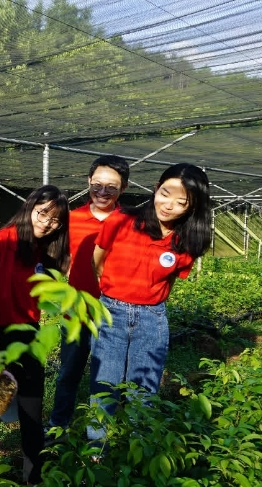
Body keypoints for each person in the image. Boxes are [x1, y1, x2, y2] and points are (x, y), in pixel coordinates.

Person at [86, 163, 212, 445]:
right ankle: (96, 453)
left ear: (192, 208)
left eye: (182, 202)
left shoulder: (185, 241)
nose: (169, 206)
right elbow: (97, 260)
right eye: (165, 194)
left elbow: (168, 282)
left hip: (152, 319)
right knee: (104, 386)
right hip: (111, 312)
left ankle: (137, 450)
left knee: (143, 390)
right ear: (155, 189)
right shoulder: (120, 221)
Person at [0, 185, 70, 484]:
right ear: (29, 208)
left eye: (55, 220)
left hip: (28, 336)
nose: (46, 223)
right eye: (43, 213)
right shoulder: (0, 241)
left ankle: (33, 479)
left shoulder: (40, 250)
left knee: (31, 406)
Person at [47, 155, 130, 431]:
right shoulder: (72, 219)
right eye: (98, 184)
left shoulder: (130, 224)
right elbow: (58, 259)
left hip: (113, 311)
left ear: (124, 188)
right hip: (77, 309)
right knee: (68, 371)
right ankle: (58, 425)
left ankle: (100, 434)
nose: (103, 192)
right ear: (88, 182)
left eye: (112, 187)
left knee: (105, 377)